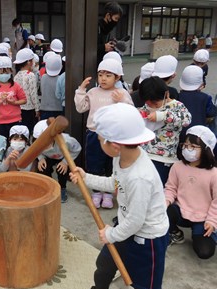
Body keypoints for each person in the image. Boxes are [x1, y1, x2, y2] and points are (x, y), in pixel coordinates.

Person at [70, 103, 169, 289]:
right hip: (125, 226)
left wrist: (112, 235)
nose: (99, 143)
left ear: (114, 145)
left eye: (99, 140)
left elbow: (136, 220)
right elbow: (116, 184)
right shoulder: (122, 157)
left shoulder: (140, 177)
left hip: (146, 239)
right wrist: (86, 178)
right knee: (105, 264)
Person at [74, 58, 132, 208]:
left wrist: (122, 101)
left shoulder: (121, 93)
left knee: (110, 164)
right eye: (100, 75)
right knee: (94, 163)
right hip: (94, 133)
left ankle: (108, 194)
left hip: (114, 136)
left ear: (117, 77)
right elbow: (81, 108)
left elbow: (130, 112)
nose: (103, 79)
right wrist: (81, 91)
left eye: (108, 75)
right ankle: (96, 192)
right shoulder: (93, 92)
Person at [165, 126, 217, 259]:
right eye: (185, 145)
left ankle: (206, 232)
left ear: (206, 149)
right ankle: (175, 232)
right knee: (165, 210)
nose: (187, 149)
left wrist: (212, 221)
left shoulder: (213, 173)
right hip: (181, 211)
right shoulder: (177, 167)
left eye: (193, 146)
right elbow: (171, 188)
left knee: (205, 252)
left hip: (202, 217)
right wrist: (166, 201)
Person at [139, 77, 191, 186]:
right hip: (143, 153)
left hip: (164, 158)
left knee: (158, 186)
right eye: (148, 103)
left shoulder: (177, 106)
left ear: (166, 94)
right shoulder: (147, 106)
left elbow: (187, 119)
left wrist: (163, 115)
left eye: (155, 104)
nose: (152, 106)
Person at [34, 120, 81, 203]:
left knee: (62, 170)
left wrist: (65, 162)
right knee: (42, 168)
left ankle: (62, 188)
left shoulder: (66, 140)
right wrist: (40, 158)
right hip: (47, 157)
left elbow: (77, 149)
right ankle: (49, 187)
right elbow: (34, 151)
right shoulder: (36, 142)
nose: (43, 144)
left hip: (63, 156)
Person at [0, 56, 27, 138]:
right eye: (1, 73)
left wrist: (14, 102)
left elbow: (24, 100)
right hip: (0, 121)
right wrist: (1, 100)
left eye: (6, 73)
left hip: (15, 119)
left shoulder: (16, 86)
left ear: (11, 72)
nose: (4, 75)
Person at [178, 65, 217, 140]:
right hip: (198, 134)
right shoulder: (205, 97)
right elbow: (211, 113)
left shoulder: (177, 96)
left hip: (180, 133)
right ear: (201, 83)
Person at [14, 48, 39, 134]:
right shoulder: (31, 75)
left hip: (18, 109)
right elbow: (33, 94)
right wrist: (37, 109)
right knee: (30, 131)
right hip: (30, 109)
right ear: (28, 62)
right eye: (32, 60)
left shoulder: (16, 76)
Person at [40, 54, 64, 120]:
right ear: (61, 66)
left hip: (44, 108)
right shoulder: (61, 79)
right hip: (58, 109)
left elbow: (42, 91)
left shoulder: (43, 77)